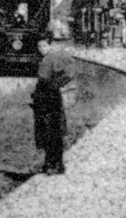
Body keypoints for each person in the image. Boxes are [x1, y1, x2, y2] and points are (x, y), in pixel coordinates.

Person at [31, 36, 75, 174]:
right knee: (50, 131)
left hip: (49, 97)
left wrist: (56, 84)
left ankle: (54, 164)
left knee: (50, 131)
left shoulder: (52, 58)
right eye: (39, 47)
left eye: (44, 46)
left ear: (49, 45)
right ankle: (53, 164)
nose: (42, 49)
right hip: (47, 96)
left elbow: (69, 70)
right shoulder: (46, 59)